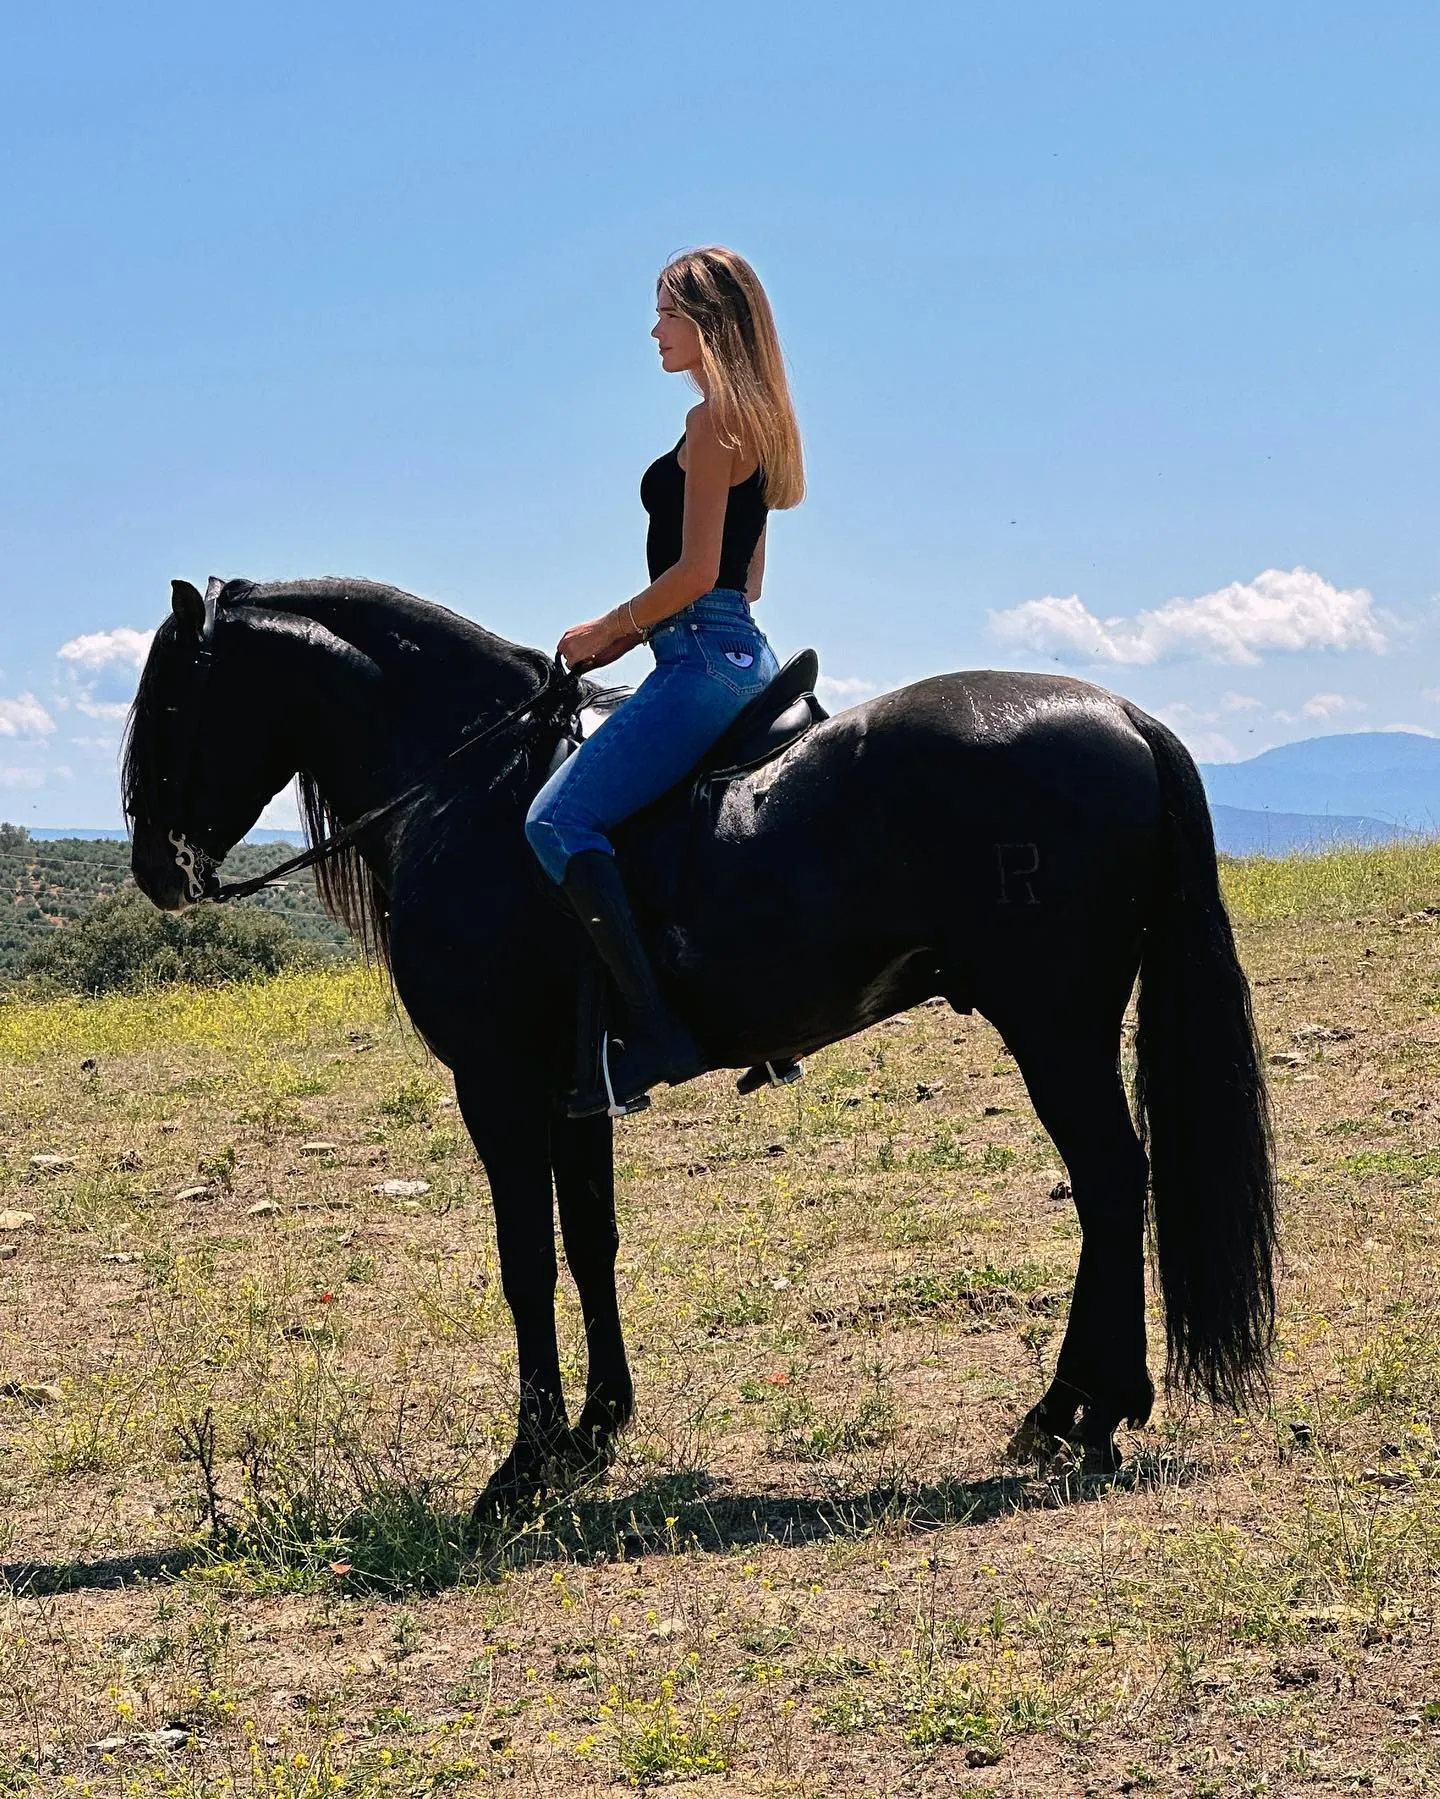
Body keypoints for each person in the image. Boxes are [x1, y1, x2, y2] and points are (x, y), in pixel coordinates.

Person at [525, 245, 805, 1117]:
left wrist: (607, 633)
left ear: (709, 322)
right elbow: (746, 581)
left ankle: (653, 1035)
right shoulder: (761, 421)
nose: (654, 331)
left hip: (694, 658)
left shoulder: (712, 420)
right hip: (746, 654)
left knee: (557, 819)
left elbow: (694, 575)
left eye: (667, 314)